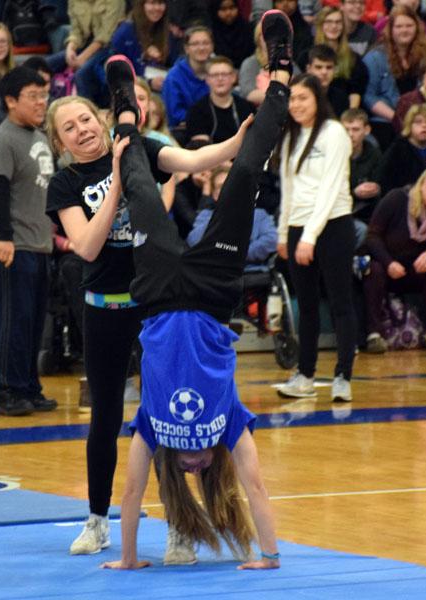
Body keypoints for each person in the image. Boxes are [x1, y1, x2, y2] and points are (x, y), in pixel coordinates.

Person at [46, 50, 267, 555]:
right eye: (69, 128)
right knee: (104, 416)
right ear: (60, 143)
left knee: (165, 415)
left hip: (157, 310)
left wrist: (237, 142)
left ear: (102, 119)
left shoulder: (140, 145)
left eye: (86, 119)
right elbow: (86, 246)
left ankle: (178, 526)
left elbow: (193, 161)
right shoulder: (65, 183)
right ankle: (98, 519)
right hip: (104, 307)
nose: (81, 130)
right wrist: (120, 181)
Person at [99, 11, 292, 570]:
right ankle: (280, 68)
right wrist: (270, 556)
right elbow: (256, 486)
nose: (191, 464)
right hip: (210, 294)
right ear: (213, 467)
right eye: (198, 468)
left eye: (182, 470)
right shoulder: (231, 423)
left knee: (137, 185)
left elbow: (130, 494)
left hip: (158, 295)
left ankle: (126, 112)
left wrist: (129, 558)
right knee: (246, 177)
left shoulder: (155, 427)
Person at [0, 67, 57, 417]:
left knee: (33, 322)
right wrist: (5, 239)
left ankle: (29, 387)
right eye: (34, 96)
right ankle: (7, 391)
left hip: (39, 245)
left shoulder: (38, 136)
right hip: (12, 247)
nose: (42, 102)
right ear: (11, 101)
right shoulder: (1, 140)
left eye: (44, 95)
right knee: (14, 321)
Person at [275, 74, 357, 402]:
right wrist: (285, 233)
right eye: (291, 99)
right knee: (306, 307)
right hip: (298, 227)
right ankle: (305, 375)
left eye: (302, 98)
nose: (296, 105)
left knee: (340, 302)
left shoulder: (334, 132)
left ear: (317, 99)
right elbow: (288, 188)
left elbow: (330, 188)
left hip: (333, 224)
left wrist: (310, 236)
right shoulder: (290, 136)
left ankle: (343, 376)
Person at [363, 164, 426, 353]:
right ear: (422, 182)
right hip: (386, 263)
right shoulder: (397, 198)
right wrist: (388, 262)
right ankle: (372, 335)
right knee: (374, 269)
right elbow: (372, 236)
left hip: (413, 270)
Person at [363, 6, 426, 149]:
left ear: (417, 28)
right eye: (399, 26)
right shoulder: (374, 58)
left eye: (409, 25)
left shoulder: (425, 56)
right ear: (391, 30)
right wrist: (397, 118)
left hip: (419, 120)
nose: (404, 30)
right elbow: (369, 97)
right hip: (385, 121)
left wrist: (416, 120)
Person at [379, 103, 426, 192]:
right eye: (418, 122)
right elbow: (385, 182)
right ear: (409, 125)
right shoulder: (397, 150)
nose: (424, 126)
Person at [110, 0, 179, 92]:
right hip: (134, 90)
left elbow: (174, 64)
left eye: (161, 3)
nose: (157, 8)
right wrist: (148, 82)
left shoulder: (167, 32)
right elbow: (117, 73)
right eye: (152, 3)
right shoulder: (125, 32)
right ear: (141, 5)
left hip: (164, 87)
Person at [185, 56, 256, 144]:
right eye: (215, 75)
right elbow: (200, 148)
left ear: (234, 77)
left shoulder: (248, 108)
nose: (220, 79)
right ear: (207, 79)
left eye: (224, 74)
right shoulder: (196, 112)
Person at [161, 26, 214, 131]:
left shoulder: (219, 71)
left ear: (212, 46)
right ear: (186, 49)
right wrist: (204, 120)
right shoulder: (174, 77)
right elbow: (174, 115)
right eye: (195, 44)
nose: (201, 48)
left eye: (206, 43)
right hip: (184, 131)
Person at [341, 108, 382, 227]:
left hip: (368, 211)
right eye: (346, 129)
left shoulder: (374, 154)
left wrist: (377, 188)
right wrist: (354, 193)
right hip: (341, 212)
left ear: (367, 130)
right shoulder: (335, 154)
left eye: (355, 129)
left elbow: (382, 182)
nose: (350, 134)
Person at [306, 44, 368, 117]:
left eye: (329, 67)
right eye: (318, 67)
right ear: (309, 69)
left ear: (335, 70)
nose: (324, 72)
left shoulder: (341, 99)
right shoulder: (300, 95)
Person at [210, 0, 255, 69]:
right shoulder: (211, 32)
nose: (228, 13)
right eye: (223, 9)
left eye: (232, 8)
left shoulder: (247, 29)